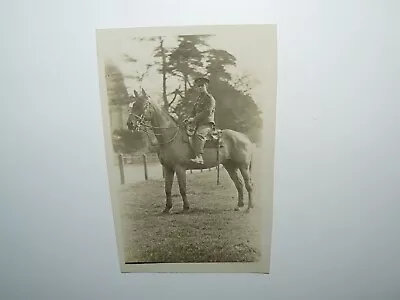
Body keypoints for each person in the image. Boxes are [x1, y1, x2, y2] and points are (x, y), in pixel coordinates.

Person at [187, 77, 216, 164]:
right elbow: (193, 112)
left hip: (207, 123)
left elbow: (207, 112)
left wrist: (194, 119)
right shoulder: (198, 99)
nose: (200, 88)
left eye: (202, 86)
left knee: (199, 135)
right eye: (198, 86)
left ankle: (199, 157)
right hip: (197, 124)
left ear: (206, 86)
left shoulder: (209, 98)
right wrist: (189, 119)